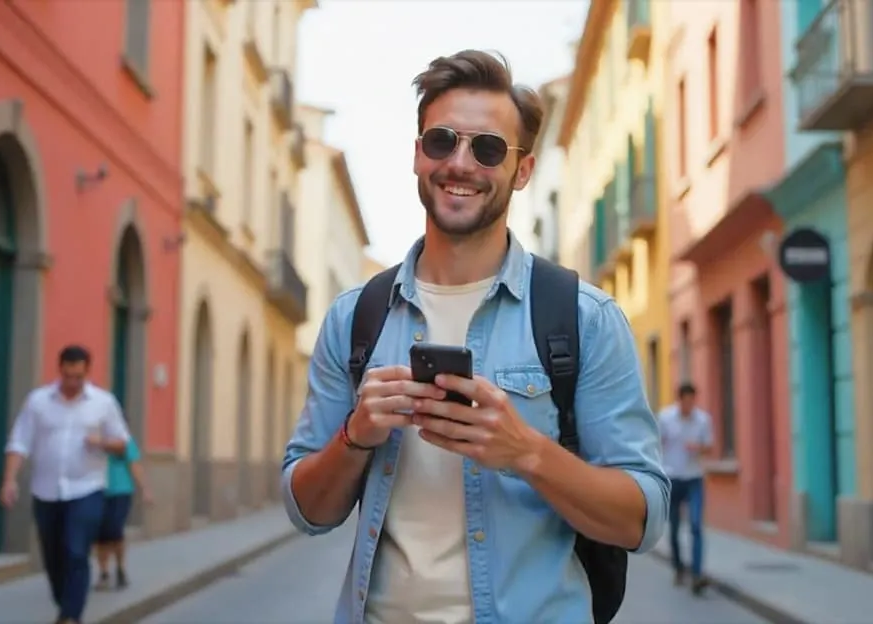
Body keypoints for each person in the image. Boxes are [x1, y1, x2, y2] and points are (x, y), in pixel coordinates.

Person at [282, 49, 669, 624]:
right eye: (441, 140)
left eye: (487, 148)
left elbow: (642, 519)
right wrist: (355, 435)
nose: (460, 163)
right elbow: (307, 510)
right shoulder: (354, 318)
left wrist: (526, 451)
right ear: (417, 154)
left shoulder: (585, 319)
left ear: (523, 170)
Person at [0, 345, 131, 624]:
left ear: (87, 372)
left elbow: (122, 444)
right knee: (53, 556)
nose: (72, 383)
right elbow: (19, 441)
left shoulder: (103, 402)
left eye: (78, 377)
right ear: (60, 370)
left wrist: (102, 442)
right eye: (68, 376)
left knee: (76, 549)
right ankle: (67, 604)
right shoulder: (38, 401)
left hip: (87, 488)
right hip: (46, 490)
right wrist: (9, 479)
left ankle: (70, 616)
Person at [658, 382, 714, 595]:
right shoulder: (665, 418)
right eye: (686, 401)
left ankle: (697, 574)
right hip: (672, 478)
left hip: (694, 478)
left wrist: (698, 447)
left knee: (696, 524)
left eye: (693, 401)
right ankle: (678, 567)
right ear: (679, 399)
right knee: (673, 528)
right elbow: (656, 442)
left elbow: (709, 446)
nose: (689, 405)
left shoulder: (703, 420)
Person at [94, 435, 153, 591]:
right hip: (97, 491)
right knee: (100, 534)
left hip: (121, 492)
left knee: (114, 530)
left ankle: (120, 567)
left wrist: (145, 489)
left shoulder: (126, 441)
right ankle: (104, 572)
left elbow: (135, 465)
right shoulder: (95, 438)